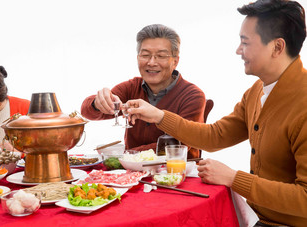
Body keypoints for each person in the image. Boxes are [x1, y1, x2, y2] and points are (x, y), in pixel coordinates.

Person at [126, 0, 307, 226]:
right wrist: (159, 116)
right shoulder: (257, 92)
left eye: (245, 42)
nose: (238, 50)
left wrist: (233, 178)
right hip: (257, 218)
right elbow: (215, 136)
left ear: (277, 47)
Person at [81, 24, 206, 158]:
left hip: (177, 174)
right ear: (137, 57)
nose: (151, 62)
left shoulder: (193, 95)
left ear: (175, 61)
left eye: (161, 56)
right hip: (133, 173)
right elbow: (87, 113)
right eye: (145, 55)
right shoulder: (131, 87)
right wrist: (97, 102)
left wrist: (127, 154)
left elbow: (178, 145)